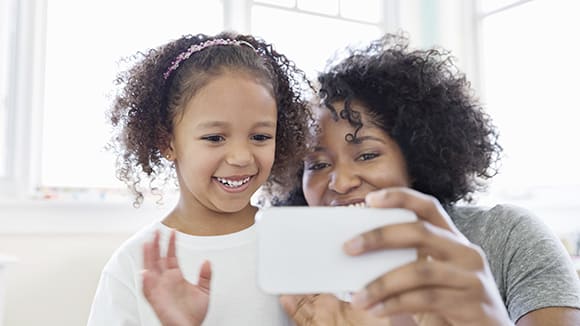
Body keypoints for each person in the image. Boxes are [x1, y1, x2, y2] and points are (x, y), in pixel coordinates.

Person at [138, 33, 580, 325]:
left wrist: (485, 317)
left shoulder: (506, 239)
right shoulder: (296, 274)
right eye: (317, 163)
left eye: (366, 153)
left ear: (419, 155)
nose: (341, 181)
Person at [87, 31, 312, 326]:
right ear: (167, 143)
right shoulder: (133, 266)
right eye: (215, 137)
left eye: (260, 136)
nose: (241, 157)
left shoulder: (297, 245)